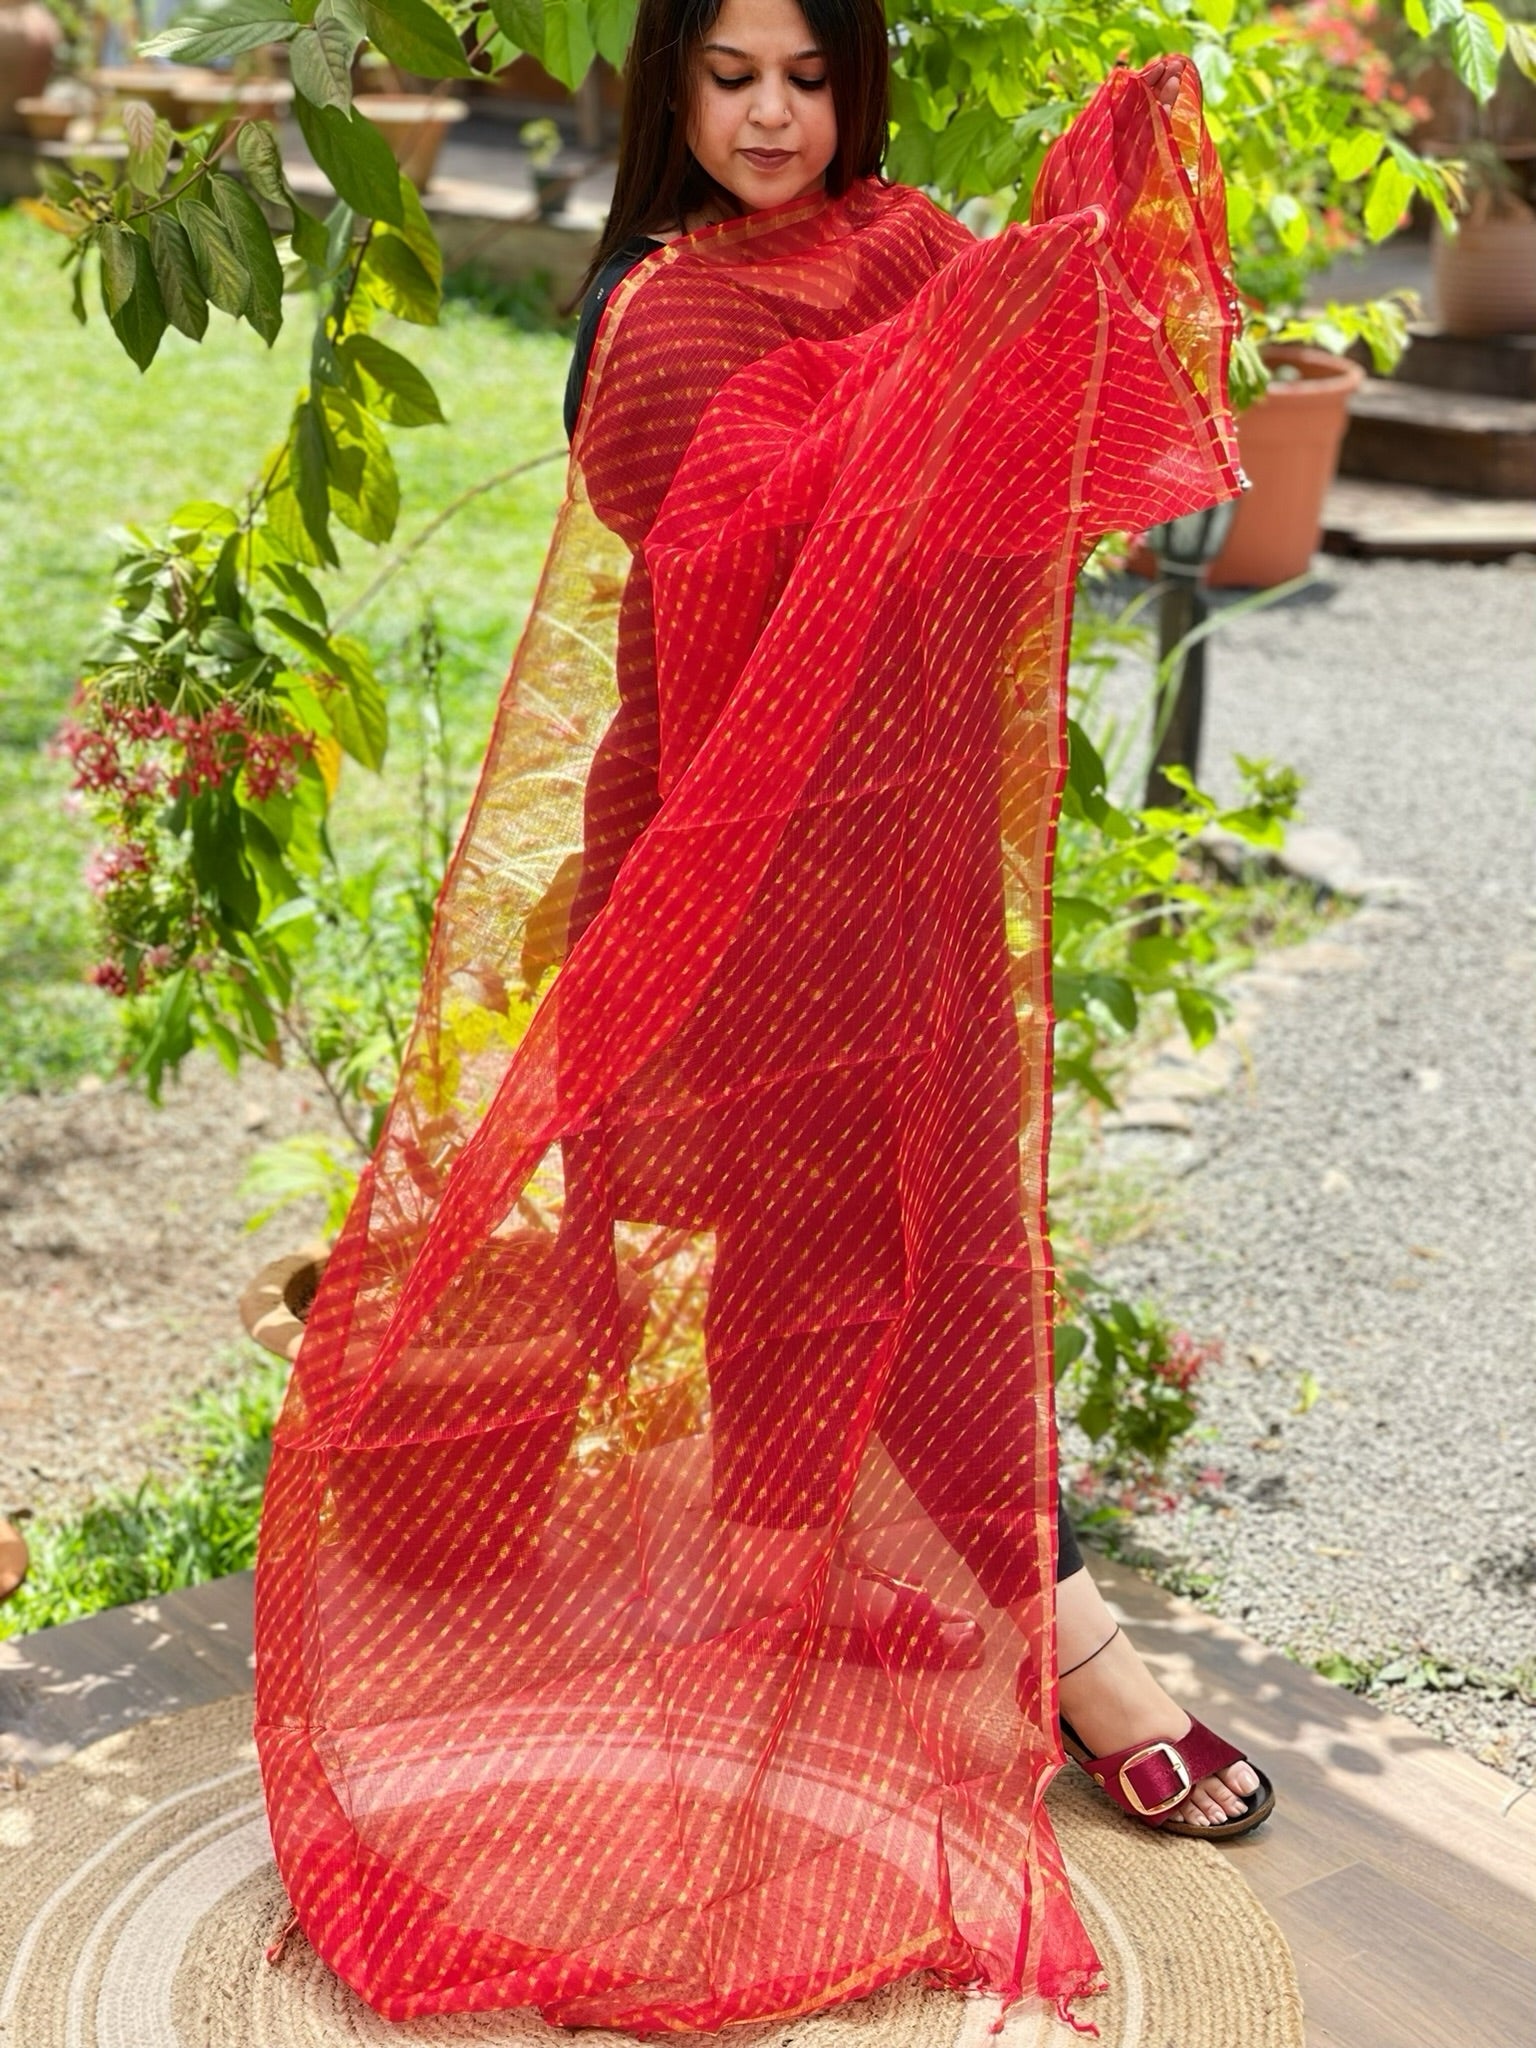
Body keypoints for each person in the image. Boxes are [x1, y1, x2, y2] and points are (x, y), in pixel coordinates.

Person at [253, 0, 1271, 2030]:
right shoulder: (651, 315)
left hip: (907, 840)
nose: (777, 116)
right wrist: (925, 384)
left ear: (856, 85)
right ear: (667, 95)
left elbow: (1025, 434)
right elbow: (722, 518)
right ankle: (1061, 1649)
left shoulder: (905, 252)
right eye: (733, 79)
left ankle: (839, 1592)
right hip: (729, 840)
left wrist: (1081, 243)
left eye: (809, 76)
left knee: (947, 1238)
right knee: (808, 1228)